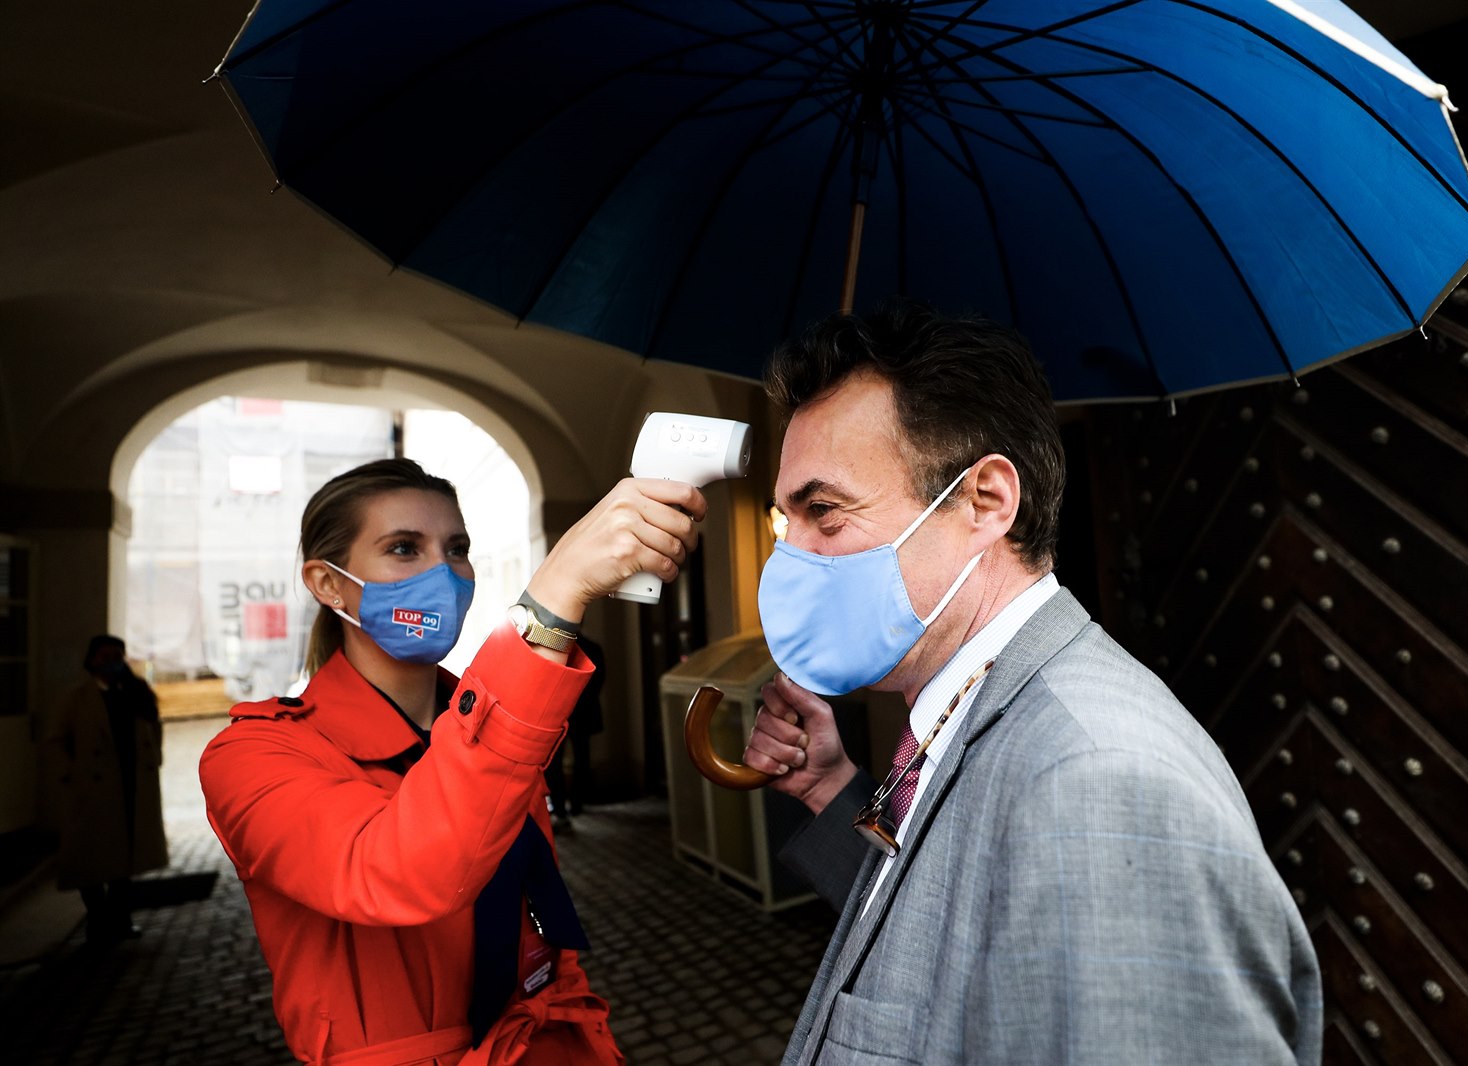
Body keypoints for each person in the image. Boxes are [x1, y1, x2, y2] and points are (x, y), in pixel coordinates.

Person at [741, 300, 1321, 1065]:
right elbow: (943, 950)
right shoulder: (971, 705)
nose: (793, 557)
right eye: (787, 522)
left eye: (824, 511)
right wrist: (829, 790)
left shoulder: (1101, 782)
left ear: (984, 501)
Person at [200, 457, 704, 1066]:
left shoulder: (484, 717)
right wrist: (549, 606)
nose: (442, 572)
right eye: (404, 548)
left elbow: (532, 904)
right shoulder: (254, 754)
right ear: (328, 583)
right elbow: (396, 872)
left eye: (456, 549)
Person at [43, 634, 169, 944]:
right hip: (93, 791)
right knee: (90, 859)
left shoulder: (134, 693)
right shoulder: (76, 698)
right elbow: (56, 740)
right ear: (91, 660)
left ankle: (120, 919)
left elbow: (153, 727)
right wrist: (70, 775)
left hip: (130, 785)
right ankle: (98, 920)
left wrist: (153, 759)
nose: (111, 662)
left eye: (117, 656)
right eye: (105, 656)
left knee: (124, 858)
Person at [546, 633, 605, 833]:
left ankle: (560, 809)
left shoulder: (556, 646)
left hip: (560, 712)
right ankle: (577, 803)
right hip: (582, 712)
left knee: (555, 762)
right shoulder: (592, 647)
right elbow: (598, 681)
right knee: (581, 758)